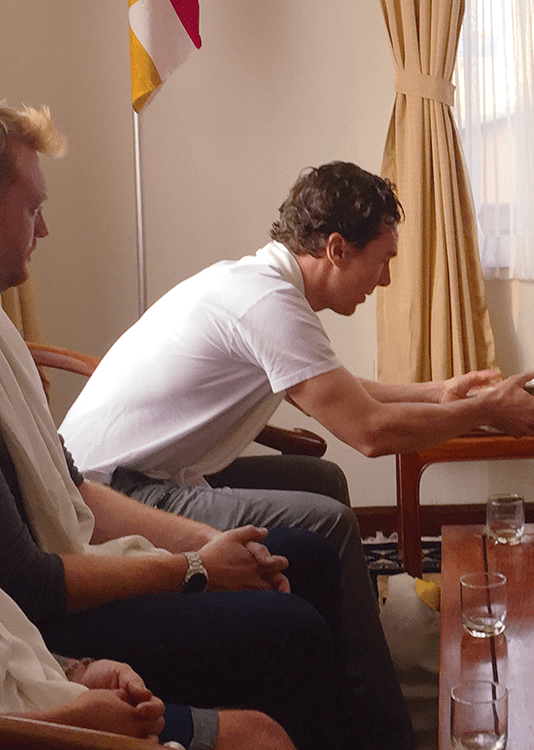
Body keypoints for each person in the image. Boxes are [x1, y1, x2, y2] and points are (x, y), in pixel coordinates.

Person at [0, 100, 385, 750]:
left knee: (308, 556)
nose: (45, 230)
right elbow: (34, 586)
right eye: (32, 208)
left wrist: (214, 543)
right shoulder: (266, 295)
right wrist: (194, 566)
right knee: (292, 628)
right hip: (53, 618)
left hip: (96, 532)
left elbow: (78, 495)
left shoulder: (5, 333)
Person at [0, 587, 293, 750]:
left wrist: (79, 670)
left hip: (44, 700)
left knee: (261, 736)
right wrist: (72, 727)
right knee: (288, 633)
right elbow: (34, 576)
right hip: (36, 730)